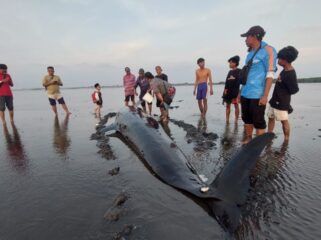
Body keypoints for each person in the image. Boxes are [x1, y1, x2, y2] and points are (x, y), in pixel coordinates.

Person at [240, 26, 277, 144]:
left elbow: (270, 74)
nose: (245, 40)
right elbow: (246, 75)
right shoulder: (249, 53)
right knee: (246, 118)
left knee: (258, 121)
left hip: (257, 93)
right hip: (245, 92)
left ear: (255, 36)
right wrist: (240, 92)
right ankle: (249, 138)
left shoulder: (268, 50)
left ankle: (258, 145)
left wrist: (265, 95)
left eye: (247, 37)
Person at [267, 46, 299, 142]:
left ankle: (286, 141)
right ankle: (269, 135)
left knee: (284, 122)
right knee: (270, 117)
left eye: (280, 58)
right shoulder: (284, 70)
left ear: (285, 60)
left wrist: (284, 87)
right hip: (274, 100)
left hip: (282, 103)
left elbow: (294, 90)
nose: (278, 60)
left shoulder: (290, 73)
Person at [222, 56, 241, 123]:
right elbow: (226, 82)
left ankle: (236, 120)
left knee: (236, 106)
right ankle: (227, 120)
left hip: (235, 92)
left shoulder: (239, 71)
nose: (229, 64)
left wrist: (238, 93)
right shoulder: (230, 72)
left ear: (235, 63)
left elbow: (240, 82)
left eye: (230, 63)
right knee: (227, 106)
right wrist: (224, 92)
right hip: (228, 92)